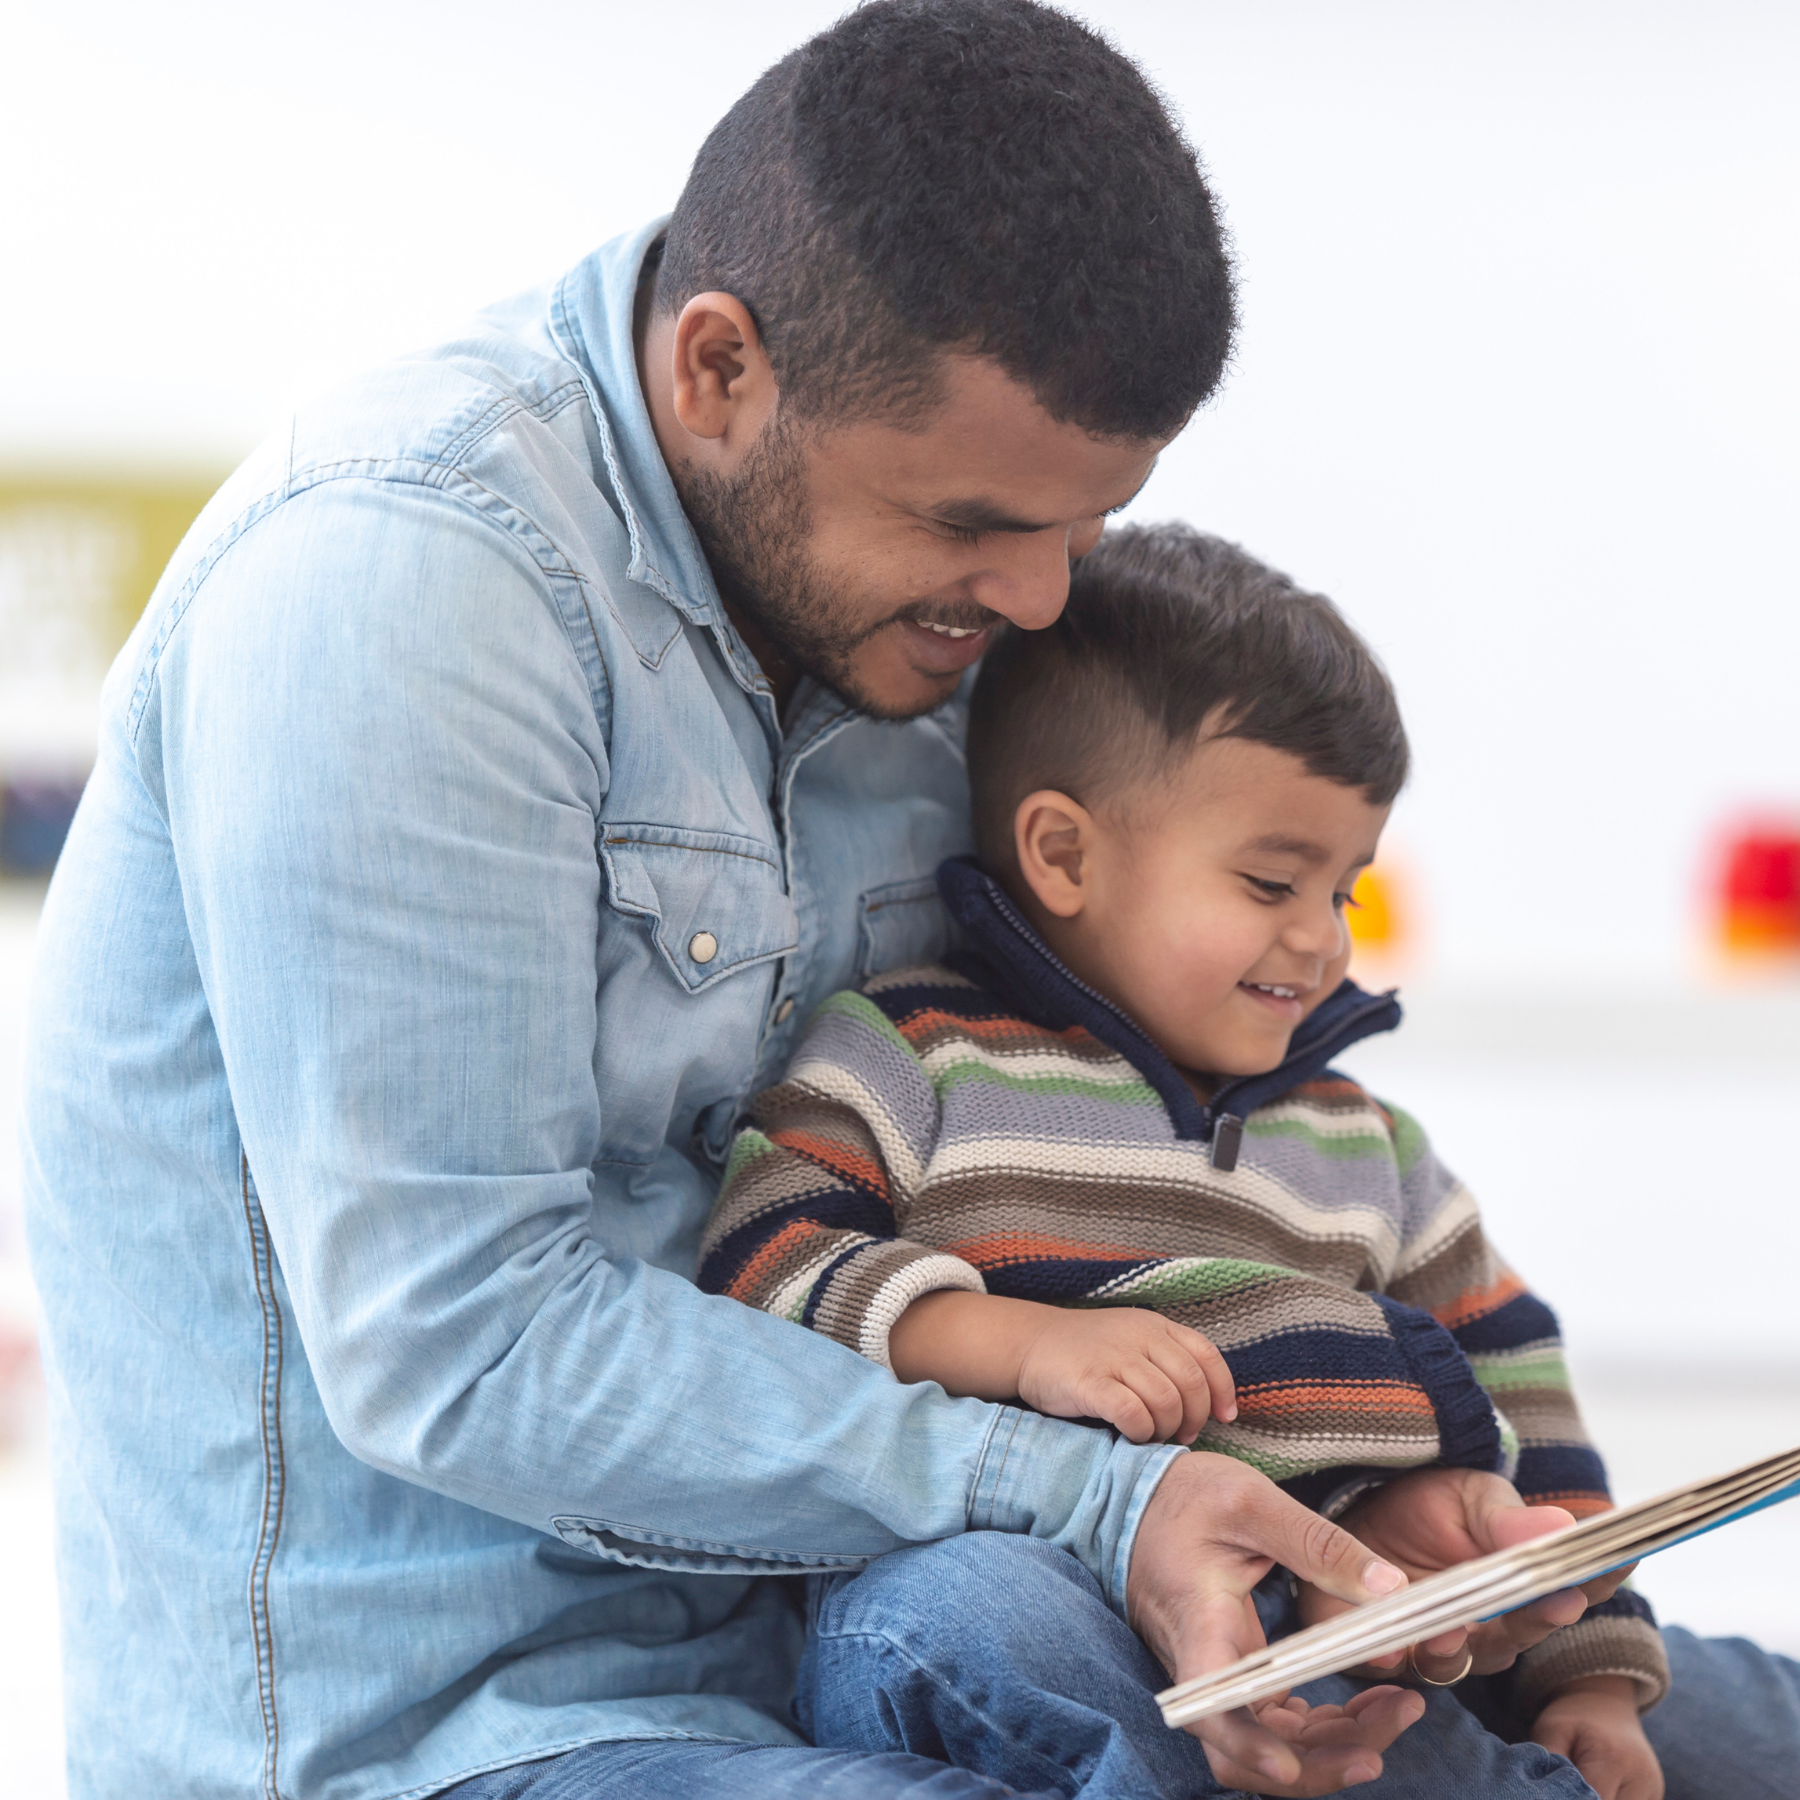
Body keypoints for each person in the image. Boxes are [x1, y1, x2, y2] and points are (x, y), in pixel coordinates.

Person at [19, 6, 1472, 1798]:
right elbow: (458, 1342)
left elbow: (1042, 1146)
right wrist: (1091, 1492)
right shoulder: (405, 579)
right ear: (719, 368)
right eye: (970, 526)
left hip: (862, 1644)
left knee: (1704, 1720)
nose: (1032, 605)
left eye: (1081, 531)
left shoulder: (911, 619)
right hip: (443, 1734)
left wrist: (1351, 1485)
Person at [698, 523, 1800, 1800]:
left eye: (1343, 891)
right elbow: (760, 1261)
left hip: (1383, 1623)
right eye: (1273, 881)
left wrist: (1589, 1677)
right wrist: (1016, 1342)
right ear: (1064, 854)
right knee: (960, 1616)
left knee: (1744, 1722)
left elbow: (1520, 1378)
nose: (1321, 942)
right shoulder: (911, 1054)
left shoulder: (1360, 1142)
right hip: (1059, 1598)